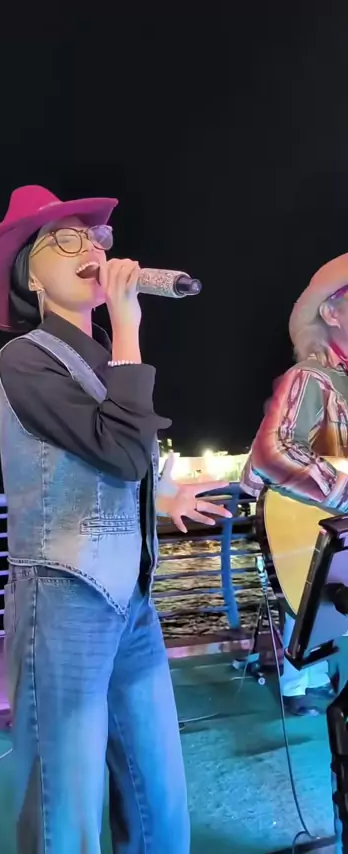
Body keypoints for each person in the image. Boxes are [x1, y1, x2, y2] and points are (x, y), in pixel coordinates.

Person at [0, 185, 231, 854]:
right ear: (30, 276)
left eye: (94, 237)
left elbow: (118, 458)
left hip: (130, 595)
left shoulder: (102, 357)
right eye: (65, 239)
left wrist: (163, 497)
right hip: (63, 595)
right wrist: (128, 325)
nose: (89, 247)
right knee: (69, 796)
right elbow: (118, 449)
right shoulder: (25, 357)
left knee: (157, 787)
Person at [241, 253, 348, 717]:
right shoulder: (311, 377)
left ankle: (311, 675)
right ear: (331, 313)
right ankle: (299, 679)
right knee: (311, 594)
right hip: (310, 522)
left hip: (330, 526)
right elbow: (271, 453)